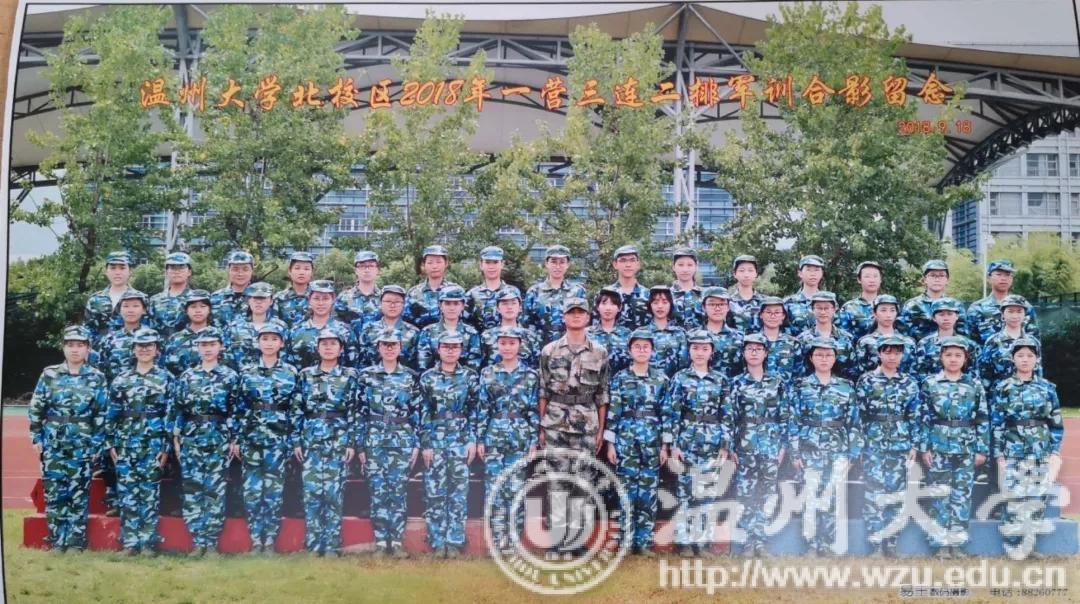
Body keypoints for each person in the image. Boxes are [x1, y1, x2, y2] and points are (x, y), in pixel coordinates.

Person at [537, 297, 611, 553]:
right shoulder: (549, 351)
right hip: (556, 422)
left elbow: (602, 394)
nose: (576, 316)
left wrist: (601, 429)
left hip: (586, 423)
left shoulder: (599, 352)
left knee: (583, 481)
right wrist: (542, 426)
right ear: (564, 317)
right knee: (557, 482)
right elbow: (543, 390)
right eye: (571, 312)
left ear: (589, 317)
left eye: (581, 312)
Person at [29, 325, 108, 552]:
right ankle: (56, 539)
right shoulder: (49, 374)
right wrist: (36, 436)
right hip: (54, 442)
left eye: (80, 345)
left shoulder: (97, 377)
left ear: (88, 349)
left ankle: (74, 541)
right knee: (54, 492)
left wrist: (97, 444)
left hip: (83, 442)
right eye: (70, 345)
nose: (75, 350)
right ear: (63, 348)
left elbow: (101, 413)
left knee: (78, 493)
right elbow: (36, 407)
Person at [990, 338, 1063, 559]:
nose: (1025, 360)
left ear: (1037, 359)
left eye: (1030, 356)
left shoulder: (1047, 388)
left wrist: (1054, 451)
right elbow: (997, 423)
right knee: (1014, 497)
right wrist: (999, 454)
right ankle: (1013, 545)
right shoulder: (1003, 388)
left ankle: (1029, 545)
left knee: (1037, 497)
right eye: (1020, 355)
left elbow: (1056, 423)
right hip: (1013, 449)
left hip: (1040, 450)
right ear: (1013, 359)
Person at [170, 327, 240, 557]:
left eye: (212, 344)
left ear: (221, 347)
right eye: (203, 345)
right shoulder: (187, 377)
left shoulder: (230, 377)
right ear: (197, 347)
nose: (208, 349)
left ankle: (211, 542)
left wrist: (234, 438)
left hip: (218, 436)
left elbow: (235, 410)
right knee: (192, 488)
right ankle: (197, 540)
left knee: (215, 489)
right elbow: (178, 409)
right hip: (192, 436)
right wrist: (176, 437)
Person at [918, 336, 990, 559]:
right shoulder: (930, 383)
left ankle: (957, 544)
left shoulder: (974, 384)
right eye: (948, 354)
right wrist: (924, 447)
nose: (953, 359)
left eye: (958, 355)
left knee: (962, 496)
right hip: (938, 445)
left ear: (965, 358)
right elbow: (923, 417)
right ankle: (939, 544)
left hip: (966, 447)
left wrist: (982, 449)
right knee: (939, 495)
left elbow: (982, 418)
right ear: (941, 357)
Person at [290, 329, 360, 556]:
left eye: (333, 344)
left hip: (338, 439)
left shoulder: (350, 376)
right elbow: (297, 409)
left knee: (334, 494)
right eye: (324, 344)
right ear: (317, 348)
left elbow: (354, 411)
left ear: (341, 349)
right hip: (311, 439)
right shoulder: (305, 375)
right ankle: (313, 544)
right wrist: (296, 441)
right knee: (311, 493)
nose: (328, 348)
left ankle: (332, 545)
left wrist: (351, 442)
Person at [788, 338, 859, 557]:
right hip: (809, 448)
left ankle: (827, 543)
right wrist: (794, 452)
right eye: (819, 355)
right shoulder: (801, 386)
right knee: (810, 496)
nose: (824, 359)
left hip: (837, 448)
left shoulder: (846, 387)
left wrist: (852, 454)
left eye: (829, 355)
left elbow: (854, 422)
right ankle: (811, 544)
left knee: (833, 496)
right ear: (811, 358)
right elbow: (793, 420)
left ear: (835, 358)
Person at [105, 327, 173, 555]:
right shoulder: (121, 379)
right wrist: (111, 444)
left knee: (149, 493)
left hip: (153, 443)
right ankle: (130, 542)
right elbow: (112, 414)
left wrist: (165, 447)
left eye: (149, 346)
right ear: (133, 349)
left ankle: (148, 542)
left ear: (156, 349)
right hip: (126, 442)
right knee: (127, 493)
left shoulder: (166, 378)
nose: (144, 350)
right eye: (140, 346)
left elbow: (170, 415)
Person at [724, 333, 792, 557]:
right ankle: (747, 542)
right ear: (743, 353)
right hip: (745, 444)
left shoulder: (777, 383)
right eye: (749, 349)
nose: (754, 353)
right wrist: (730, 447)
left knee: (767, 492)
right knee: (746, 492)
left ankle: (760, 540)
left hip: (771, 444)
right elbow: (730, 417)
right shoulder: (736, 383)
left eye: (758, 349)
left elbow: (785, 416)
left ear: (765, 353)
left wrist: (784, 446)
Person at [664, 329, 730, 557]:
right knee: (684, 492)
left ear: (712, 352)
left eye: (704, 348)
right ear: (689, 351)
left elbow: (727, 414)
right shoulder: (680, 378)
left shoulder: (720, 380)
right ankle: (683, 541)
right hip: (686, 441)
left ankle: (702, 542)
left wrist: (725, 444)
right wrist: (673, 445)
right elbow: (672, 413)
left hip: (712, 441)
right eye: (695, 348)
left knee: (708, 493)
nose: (700, 353)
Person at [854, 336, 920, 558]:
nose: (893, 357)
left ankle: (891, 543)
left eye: (897, 353)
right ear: (879, 354)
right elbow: (858, 415)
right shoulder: (866, 380)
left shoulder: (909, 382)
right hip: (873, 442)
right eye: (888, 352)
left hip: (900, 444)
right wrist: (860, 444)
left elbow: (915, 415)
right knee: (874, 492)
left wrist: (914, 444)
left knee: (897, 493)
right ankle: (875, 544)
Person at [605, 329, 669, 556]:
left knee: (648, 492)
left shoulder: (661, 379)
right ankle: (625, 539)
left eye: (646, 347)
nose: (642, 351)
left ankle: (644, 541)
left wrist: (665, 445)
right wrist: (611, 444)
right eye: (637, 347)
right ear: (630, 350)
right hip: (626, 438)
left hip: (652, 439)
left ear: (652, 351)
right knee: (625, 490)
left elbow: (666, 413)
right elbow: (614, 410)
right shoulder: (620, 378)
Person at [236, 322, 299, 553]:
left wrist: (293, 440)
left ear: (281, 343)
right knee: (252, 491)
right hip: (252, 438)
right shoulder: (247, 373)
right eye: (264, 339)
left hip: (278, 439)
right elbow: (239, 408)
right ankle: (255, 539)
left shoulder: (291, 372)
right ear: (258, 343)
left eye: (274, 339)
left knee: (274, 491)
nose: (269, 343)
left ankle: (270, 539)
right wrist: (237, 438)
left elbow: (296, 409)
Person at [357, 330, 421, 559]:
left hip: (401, 438)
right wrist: (360, 445)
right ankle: (381, 541)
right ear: (378, 348)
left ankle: (396, 540)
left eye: (394, 344)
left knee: (398, 490)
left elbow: (417, 413)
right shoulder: (366, 376)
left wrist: (416, 444)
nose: (389, 348)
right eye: (385, 345)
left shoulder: (410, 377)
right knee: (378, 490)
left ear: (400, 347)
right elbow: (359, 412)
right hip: (374, 439)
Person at [475, 327, 540, 543]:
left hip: (520, 435)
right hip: (494, 434)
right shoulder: (488, 373)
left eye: (512, 343)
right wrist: (480, 438)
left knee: (516, 488)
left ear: (520, 345)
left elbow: (533, 410)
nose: (507, 347)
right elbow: (483, 408)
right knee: (494, 487)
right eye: (503, 343)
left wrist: (533, 440)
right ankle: (497, 538)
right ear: (497, 345)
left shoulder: (531, 375)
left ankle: (513, 539)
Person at [419, 331, 480, 558]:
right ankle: (437, 541)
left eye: (455, 347)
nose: (451, 351)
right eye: (446, 347)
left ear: (461, 350)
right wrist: (426, 443)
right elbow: (422, 412)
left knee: (458, 493)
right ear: (438, 349)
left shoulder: (470, 377)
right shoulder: (427, 378)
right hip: (435, 439)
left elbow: (475, 410)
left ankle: (454, 541)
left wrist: (472, 439)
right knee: (435, 492)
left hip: (460, 439)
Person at [524, 245, 588, 345]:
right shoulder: (534, 291)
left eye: (562, 262)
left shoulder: (577, 291)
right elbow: (527, 324)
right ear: (546, 263)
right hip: (540, 346)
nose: (558, 266)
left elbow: (584, 322)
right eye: (553, 262)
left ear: (568, 264)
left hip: (570, 346)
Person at [979, 295, 1043, 394]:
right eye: (1010, 311)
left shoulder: (1033, 342)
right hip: (1000, 397)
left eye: (1019, 311)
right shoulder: (993, 342)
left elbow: (1038, 372)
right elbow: (984, 375)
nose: (1015, 316)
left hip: (1028, 396)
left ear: (1025, 314)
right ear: (1002, 314)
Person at [286, 280, 357, 370]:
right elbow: (289, 366)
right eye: (316, 298)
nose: (321, 303)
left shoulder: (345, 331)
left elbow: (352, 363)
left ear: (333, 300)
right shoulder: (296, 331)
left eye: (325, 298)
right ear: (309, 300)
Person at [966, 260, 1039, 346]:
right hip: (987, 353)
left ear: (1012, 279)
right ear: (988, 278)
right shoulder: (977, 308)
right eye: (999, 274)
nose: (1003, 278)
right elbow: (969, 342)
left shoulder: (1024, 306)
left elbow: (1034, 340)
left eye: (1007, 275)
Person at [223, 282, 290, 370]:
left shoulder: (280, 327)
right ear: (248, 300)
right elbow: (226, 355)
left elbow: (286, 355)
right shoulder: (234, 327)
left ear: (271, 301)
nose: (259, 302)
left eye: (263, 298)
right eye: (255, 298)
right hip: (240, 375)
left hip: (272, 376)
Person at [416, 286, 482, 371]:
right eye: (447, 303)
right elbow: (423, 362)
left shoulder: (471, 333)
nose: (452, 308)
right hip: (434, 377)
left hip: (463, 377)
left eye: (456, 304)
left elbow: (474, 363)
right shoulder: (428, 332)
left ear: (462, 306)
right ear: (440, 305)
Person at [900, 259, 968, 341]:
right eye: (932, 275)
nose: (937, 279)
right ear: (925, 279)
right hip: (919, 348)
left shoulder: (955, 305)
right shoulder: (912, 305)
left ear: (947, 280)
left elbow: (962, 334)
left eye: (941, 275)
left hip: (948, 347)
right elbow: (903, 334)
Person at [354, 285, 420, 370]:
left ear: (403, 304)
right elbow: (362, 361)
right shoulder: (368, 330)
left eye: (397, 302)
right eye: (388, 301)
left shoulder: (413, 332)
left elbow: (417, 364)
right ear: (380, 303)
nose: (392, 305)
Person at [914, 298, 980, 381]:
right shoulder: (924, 344)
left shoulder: (969, 344)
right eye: (941, 315)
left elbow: (974, 374)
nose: (946, 318)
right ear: (934, 318)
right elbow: (920, 373)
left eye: (950, 314)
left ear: (957, 316)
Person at [795, 291, 857, 380]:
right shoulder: (803, 339)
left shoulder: (846, 338)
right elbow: (798, 370)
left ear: (834, 309)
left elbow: (852, 369)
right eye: (819, 308)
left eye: (827, 308)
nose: (823, 312)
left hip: (841, 387)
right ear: (812, 309)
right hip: (811, 386)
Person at [98, 290, 152, 381]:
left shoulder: (152, 337)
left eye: (136, 306)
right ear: (119, 310)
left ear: (144, 310)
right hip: (117, 387)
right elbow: (102, 369)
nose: (130, 310)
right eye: (126, 306)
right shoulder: (109, 339)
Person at [855, 295, 916, 375]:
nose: (888, 315)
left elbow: (914, 372)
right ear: (874, 313)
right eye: (883, 310)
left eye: (892, 310)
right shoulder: (865, 342)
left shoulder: (908, 342)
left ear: (897, 313)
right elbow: (860, 372)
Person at [84, 251, 136, 346]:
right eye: (113, 268)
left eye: (122, 268)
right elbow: (88, 331)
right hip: (100, 351)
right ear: (106, 271)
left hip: (129, 351)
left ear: (130, 271)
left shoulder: (140, 299)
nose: (117, 272)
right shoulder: (95, 300)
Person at [479, 290, 541, 368]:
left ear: (520, 307)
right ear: (498, 308)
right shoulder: (487, 336)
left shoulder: (530, 336)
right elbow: (482, 366)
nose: (509, 307)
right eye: (505, 304)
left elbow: (536, 366)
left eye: (513, 303)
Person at [404, 245, 461, 329]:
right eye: (430, 262)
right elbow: (407, 322)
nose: (434, 266)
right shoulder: (413, 293)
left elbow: (464, 321)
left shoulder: (456, 291)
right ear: (424, 265)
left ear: (446, 263)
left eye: (438, 262)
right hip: (422, 336)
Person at [466, 246, 521, 332]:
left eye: (495, 262)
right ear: (481, 265)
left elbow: (520, 321)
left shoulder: (513, 292)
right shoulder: (472, 294)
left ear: (502, 264)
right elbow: (466, 324)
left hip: (507, 339)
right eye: (487, 262)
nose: (491, 267)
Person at [163, 290, 215, 376]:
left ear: (209, 309)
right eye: (193, 307)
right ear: (186, 310)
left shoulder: (219, 336)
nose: (198, 310)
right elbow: (167, 368)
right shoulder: (175, 339)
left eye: (203, 306)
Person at [641, 285, 689, 378]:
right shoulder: (641, 333)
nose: (660, 306)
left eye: (665, 302)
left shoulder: (679, 334)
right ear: (650, 305)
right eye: (655, 302)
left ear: (671, 304)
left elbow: (684, 363)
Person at [586, 287, 632, 376]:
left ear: (619, 308)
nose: (608, 308)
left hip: (620, 381)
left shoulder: (628, 335)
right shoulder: (587, 333)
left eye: (613, 304)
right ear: (597, 307)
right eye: (604, 303)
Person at [603, 245, 651, 330]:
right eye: (623, 260)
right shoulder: (605, 294)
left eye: (632, 260)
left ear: (638, 264)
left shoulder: (648, 295)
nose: (628, 265)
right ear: (615, 264)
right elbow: (597, 327)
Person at [699, 287, 743, 377]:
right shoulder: (693, 336)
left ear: (728, 307)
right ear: (704, 307)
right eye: (712, 304)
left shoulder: (740, 338)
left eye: (722, 304)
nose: (717, 308)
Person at [149, 251, 194, 338]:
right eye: (172, 268)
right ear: (166, 272)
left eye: (181, 267)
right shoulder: (155, 300)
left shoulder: (196, 299)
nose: (177, 271)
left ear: (189, 272)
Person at [838, 260, 884, 342]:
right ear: (859, 280)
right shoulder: (849, 307)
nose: (872, 280)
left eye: (875, 276)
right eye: (867, 276)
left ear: (880, 279)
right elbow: (842, 336)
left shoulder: (889, 305)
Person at [757, 296, 801, 379]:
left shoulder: (793, 343)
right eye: (768, 312)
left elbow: (798, 375)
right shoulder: (752, 342)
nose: (772, 316)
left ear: (783, 316)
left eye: (777, 312)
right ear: (761, 315)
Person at [335, 250, 382, 329]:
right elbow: (336, 324)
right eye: (362, 266)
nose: (367, 270)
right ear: (356, 270)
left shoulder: (385, 298)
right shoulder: (346, 297)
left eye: (371, 266)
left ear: (378, 270)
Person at [783, 255, 825, 336]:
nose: (813, 274)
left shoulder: (829, 302)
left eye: (816, 270)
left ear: (822, 273)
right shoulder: (788, 303)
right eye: (808, 270)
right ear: (800, 273)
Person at [210, 250, 255, 328]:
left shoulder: (260, 297)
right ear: (228, 270)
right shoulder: (215, 298)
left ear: (252, 271)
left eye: (245, 269)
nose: (240, 273)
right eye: (235, 269)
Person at [273, 251, 315, 327]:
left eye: (306, 269)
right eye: (297, 268)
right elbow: (273, 325)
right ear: (289, 271)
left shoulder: (319, 298)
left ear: (312, 272)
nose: (301, 272)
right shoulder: (278, 298)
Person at [728, 255, 765, 333]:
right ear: (734, 274)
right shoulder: (727, 302)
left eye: (750, 270)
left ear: (756, 274)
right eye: (741, 270)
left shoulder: (765, 302)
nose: (746, 275)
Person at [670, 246, 704, 329]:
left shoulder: (705, 295)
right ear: (673, 267)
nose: (685, 269)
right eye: (680, 265)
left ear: (696, 267)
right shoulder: (666, 295)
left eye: (690, 265)